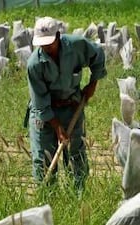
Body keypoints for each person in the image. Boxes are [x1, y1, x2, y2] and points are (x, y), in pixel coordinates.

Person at [26, 16, 107, 191]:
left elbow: (98, 55)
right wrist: (57, 127)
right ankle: (47, 198)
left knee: (75, 154)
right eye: (42, 43)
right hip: (44, 113)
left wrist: (93, 84)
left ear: (58, 36)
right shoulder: (34, 64)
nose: (46, 47)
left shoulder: (77, 45)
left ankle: (78, 197)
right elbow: (40, 102)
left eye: (49, 42)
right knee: (43, 158)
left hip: (72, 106)